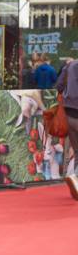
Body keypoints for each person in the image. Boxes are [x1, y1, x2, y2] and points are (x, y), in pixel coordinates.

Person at [56, 58, 78, 199]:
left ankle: (75, 179)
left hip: (69, 113)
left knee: (77, 151)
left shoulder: (70, 65)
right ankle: (75, 177)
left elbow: (58, 86)